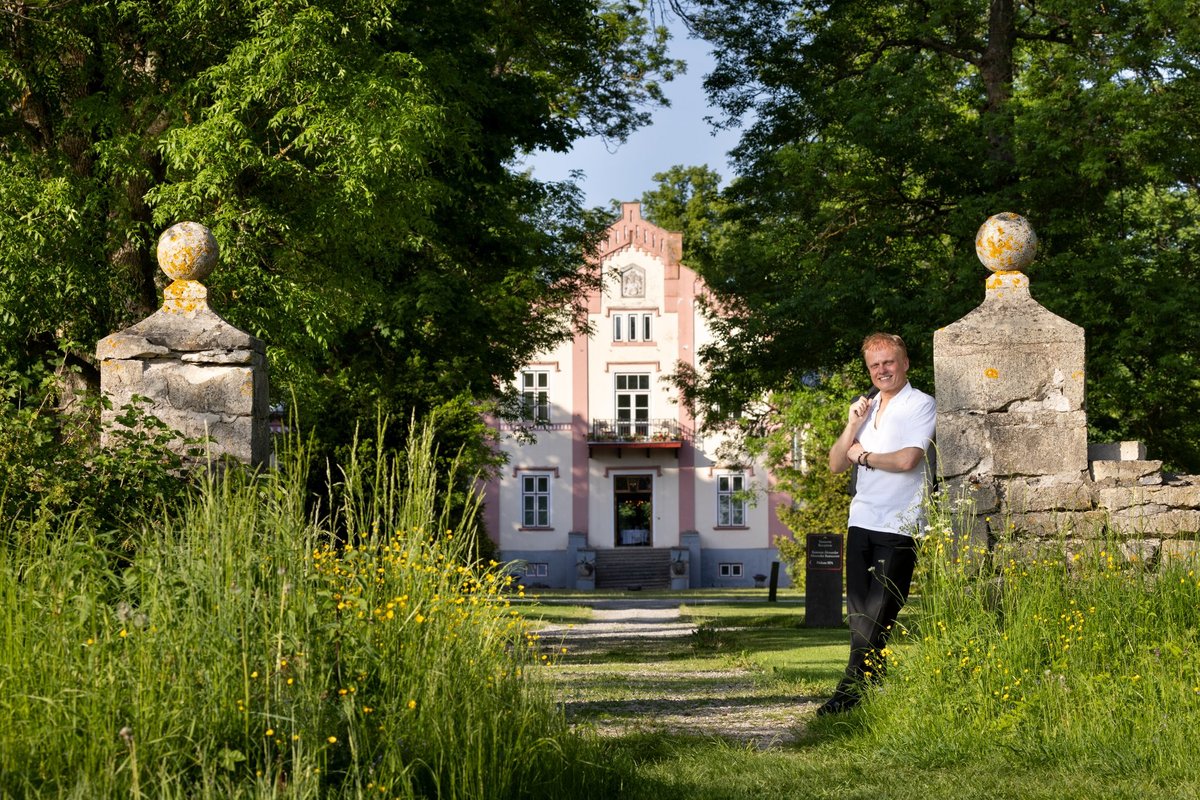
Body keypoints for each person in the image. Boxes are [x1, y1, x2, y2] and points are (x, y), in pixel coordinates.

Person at [817, 332, 936, 716]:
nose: (882, 370)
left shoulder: (921, 404)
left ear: (904, 363)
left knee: (878, 612)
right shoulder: (863, 409)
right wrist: (853, 426)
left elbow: (908, 460)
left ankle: (847, 694)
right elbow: (836, 464)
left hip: (901, 524)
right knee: (860, 616)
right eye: (874, 365)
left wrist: (865, 456)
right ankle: (873, 682)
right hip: (861, 521)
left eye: (889, 362)